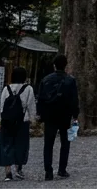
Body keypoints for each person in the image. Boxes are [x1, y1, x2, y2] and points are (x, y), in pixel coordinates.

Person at [36, 54, 79, 182]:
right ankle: (62, 169)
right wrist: (75, 115)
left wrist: (40, 115)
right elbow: (74, 100)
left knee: (48, 144)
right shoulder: (70, 80)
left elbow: (41, 99)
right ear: (65, 65)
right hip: (65, 115)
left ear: (54, 65)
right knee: (65, 143)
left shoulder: (46, 80)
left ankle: (48, 172)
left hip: (49, 116)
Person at [0, 66, 35, 181]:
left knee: (6, 145)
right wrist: (33, 119)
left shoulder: (6, 88)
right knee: (21, 145)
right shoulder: (28, 88)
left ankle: (8, 173)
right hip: (22, 122)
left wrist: (1, 121)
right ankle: (18, 169)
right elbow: (31, 106)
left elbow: (2, 106)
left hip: (7, 122)